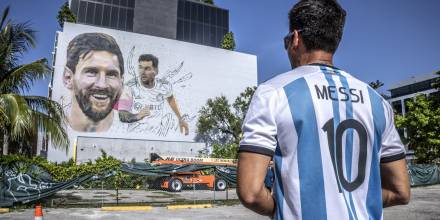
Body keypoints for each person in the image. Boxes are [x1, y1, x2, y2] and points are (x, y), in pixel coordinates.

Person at [236, 0, 410, 219]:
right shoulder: (377, 101)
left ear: (295, 38)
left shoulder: (273, 92)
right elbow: (401, 191)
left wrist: (285, 208)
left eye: (286, 41)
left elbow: (250, 193)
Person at [63, 32, 125, 132]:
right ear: (68, 77)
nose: (102, 85)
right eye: (91, 72)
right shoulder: (54, 125)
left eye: (111, 74)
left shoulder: (131, 130)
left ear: (121, 82)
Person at [118, 54, 189, 136]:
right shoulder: (130, 87)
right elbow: (122, 114)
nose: (142, 72)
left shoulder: (164, 86)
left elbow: (170, 99)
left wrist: (180, 119)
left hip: (157, 137)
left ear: (156, 71)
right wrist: (137, 116)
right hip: (135, 136)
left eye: (147, 69)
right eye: (140, 67)